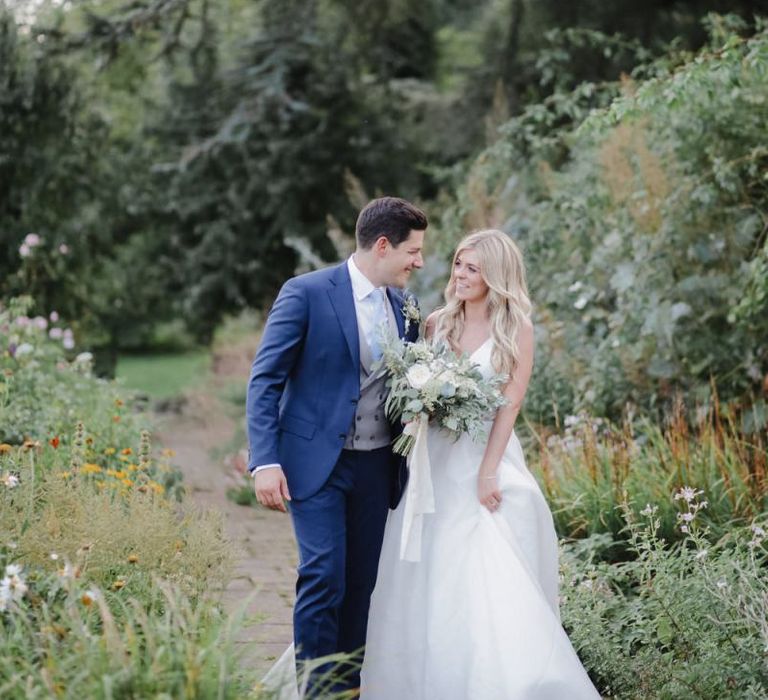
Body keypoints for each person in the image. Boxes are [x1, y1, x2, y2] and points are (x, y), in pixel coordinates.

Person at [361, 230, 601, 699]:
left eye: (472, 268)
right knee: (420, 562)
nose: (460, 275)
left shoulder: (517, 330)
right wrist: (417, 405)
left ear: (495, 275)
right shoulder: (435, 324)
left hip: (482, 455)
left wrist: (488, 471)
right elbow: (411, 389)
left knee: (488, 559)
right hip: (432, 459)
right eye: (457, 265)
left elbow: (509, 405)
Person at [246, 196, 428, 696]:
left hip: (376, 467)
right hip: (314, 464)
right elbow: (265, 380)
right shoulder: (305, 292)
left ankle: (345, 690)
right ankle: (315, 691)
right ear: (384, 245)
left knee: (359, 585)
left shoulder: (405, 308)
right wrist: (264, 461)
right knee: (324, 574)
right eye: (413, 251)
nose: (419, 262)